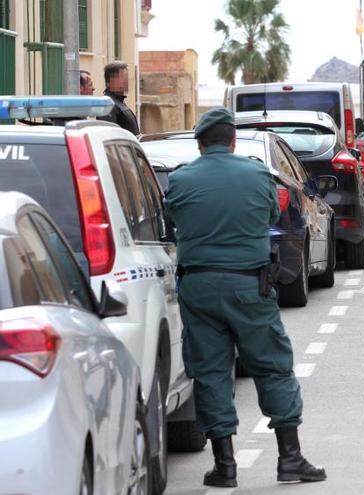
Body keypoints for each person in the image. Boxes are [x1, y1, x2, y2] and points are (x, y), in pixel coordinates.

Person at [164, 108, 325, 488]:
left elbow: (171, 220)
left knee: (209, 371)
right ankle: (290, 459)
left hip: (199, 286)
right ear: (233, 141)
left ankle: (225, 466)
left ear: (200, 143)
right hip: (249, 284)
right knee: (272, 366)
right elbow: (272, 213)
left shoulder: (181, 179)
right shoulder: (256, 174)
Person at [97, 61, 140, 136]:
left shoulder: (119, 102)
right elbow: (109, 136)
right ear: (109, 81)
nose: (126, 82)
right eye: (122, 78)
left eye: (127, 78)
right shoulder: (107, 105)